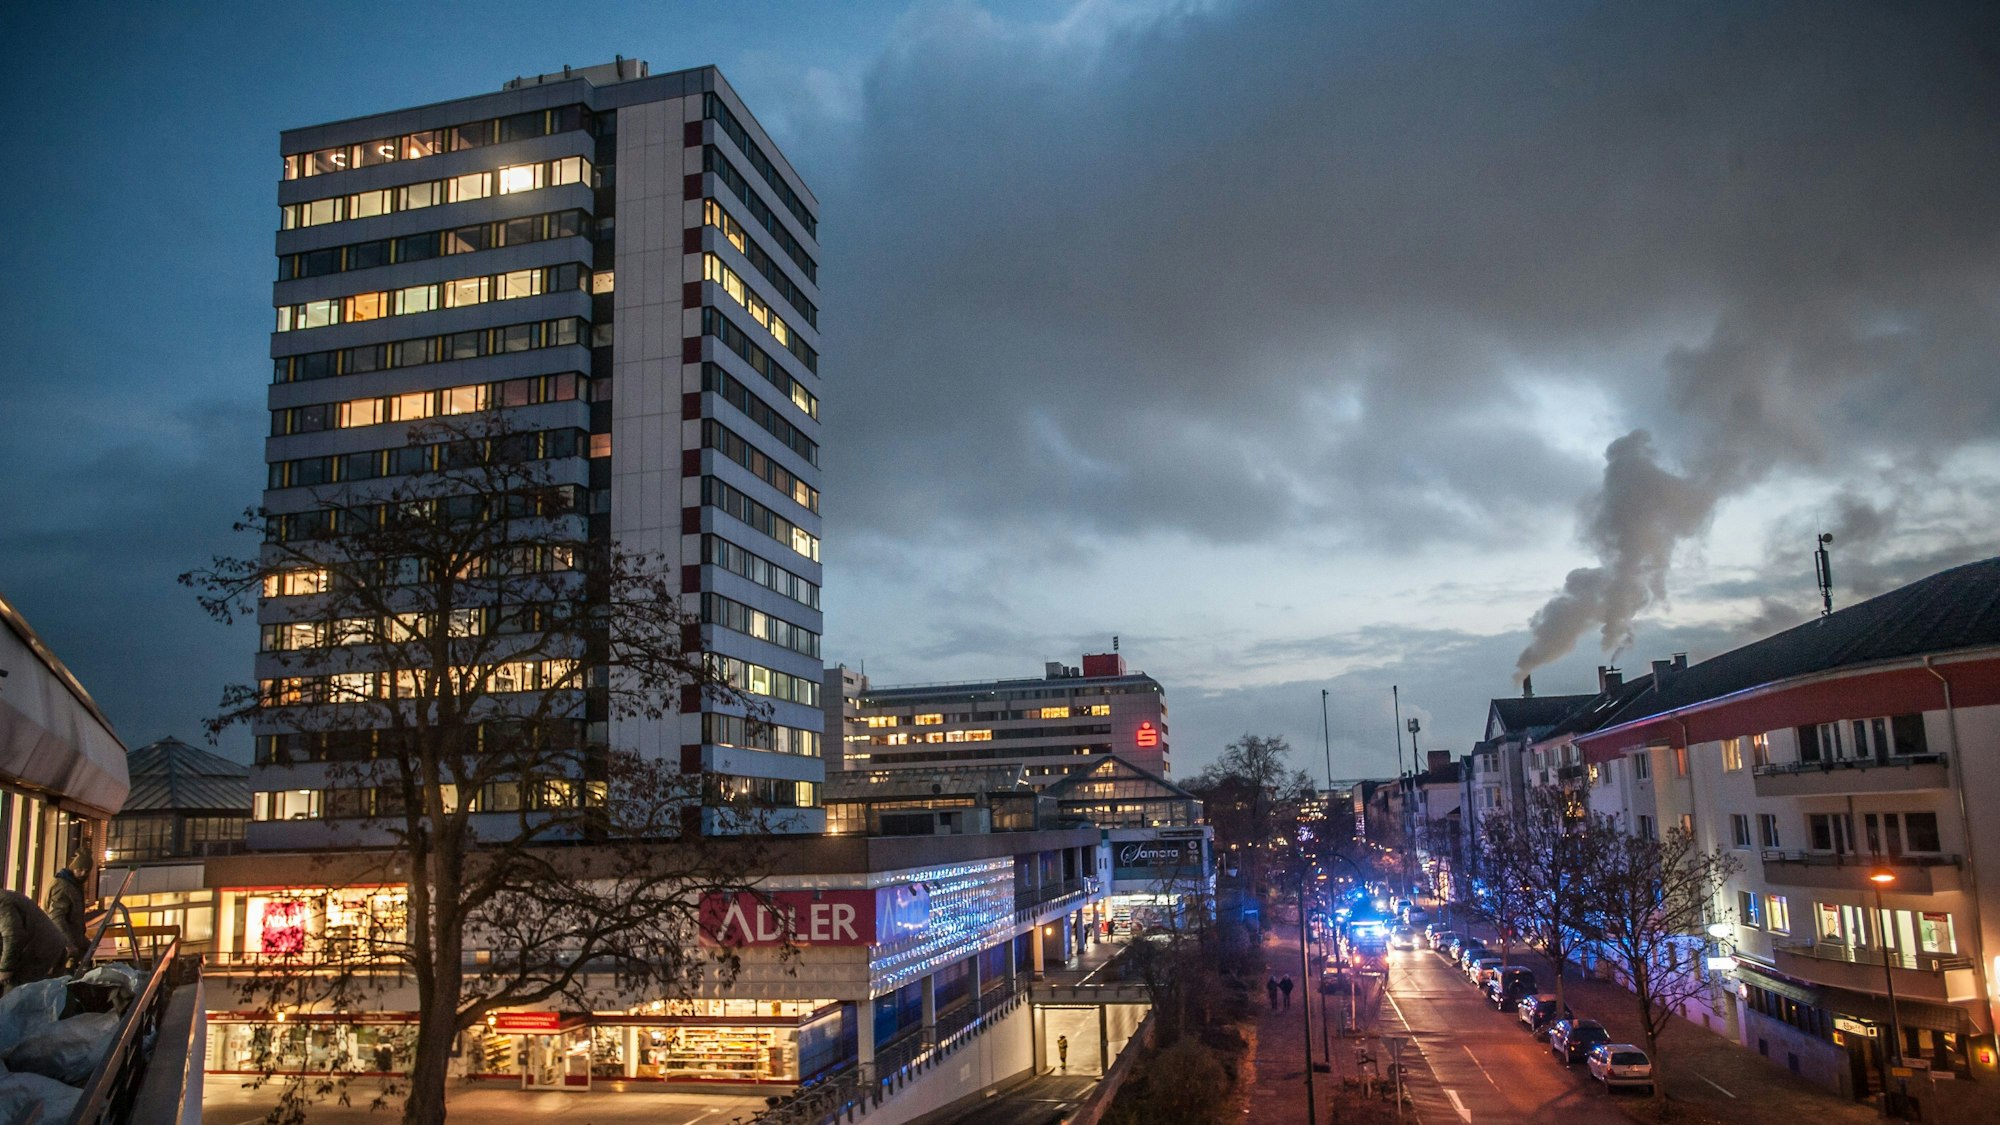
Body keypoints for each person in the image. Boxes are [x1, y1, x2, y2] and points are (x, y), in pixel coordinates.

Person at [0, 888, 69, 989]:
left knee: (16, 995)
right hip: (44, 946)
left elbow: (12, 936)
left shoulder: (2, 903)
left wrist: (5, 968)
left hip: (39, 950)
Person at [44, 853, 90, 968]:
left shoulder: (74, 885)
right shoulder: (64, 886)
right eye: (79, 869)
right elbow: (56, 917)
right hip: (62, 943)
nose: (83, 873)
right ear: (73, 868)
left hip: (69, 941)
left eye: (86, 870)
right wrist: (68, 943)